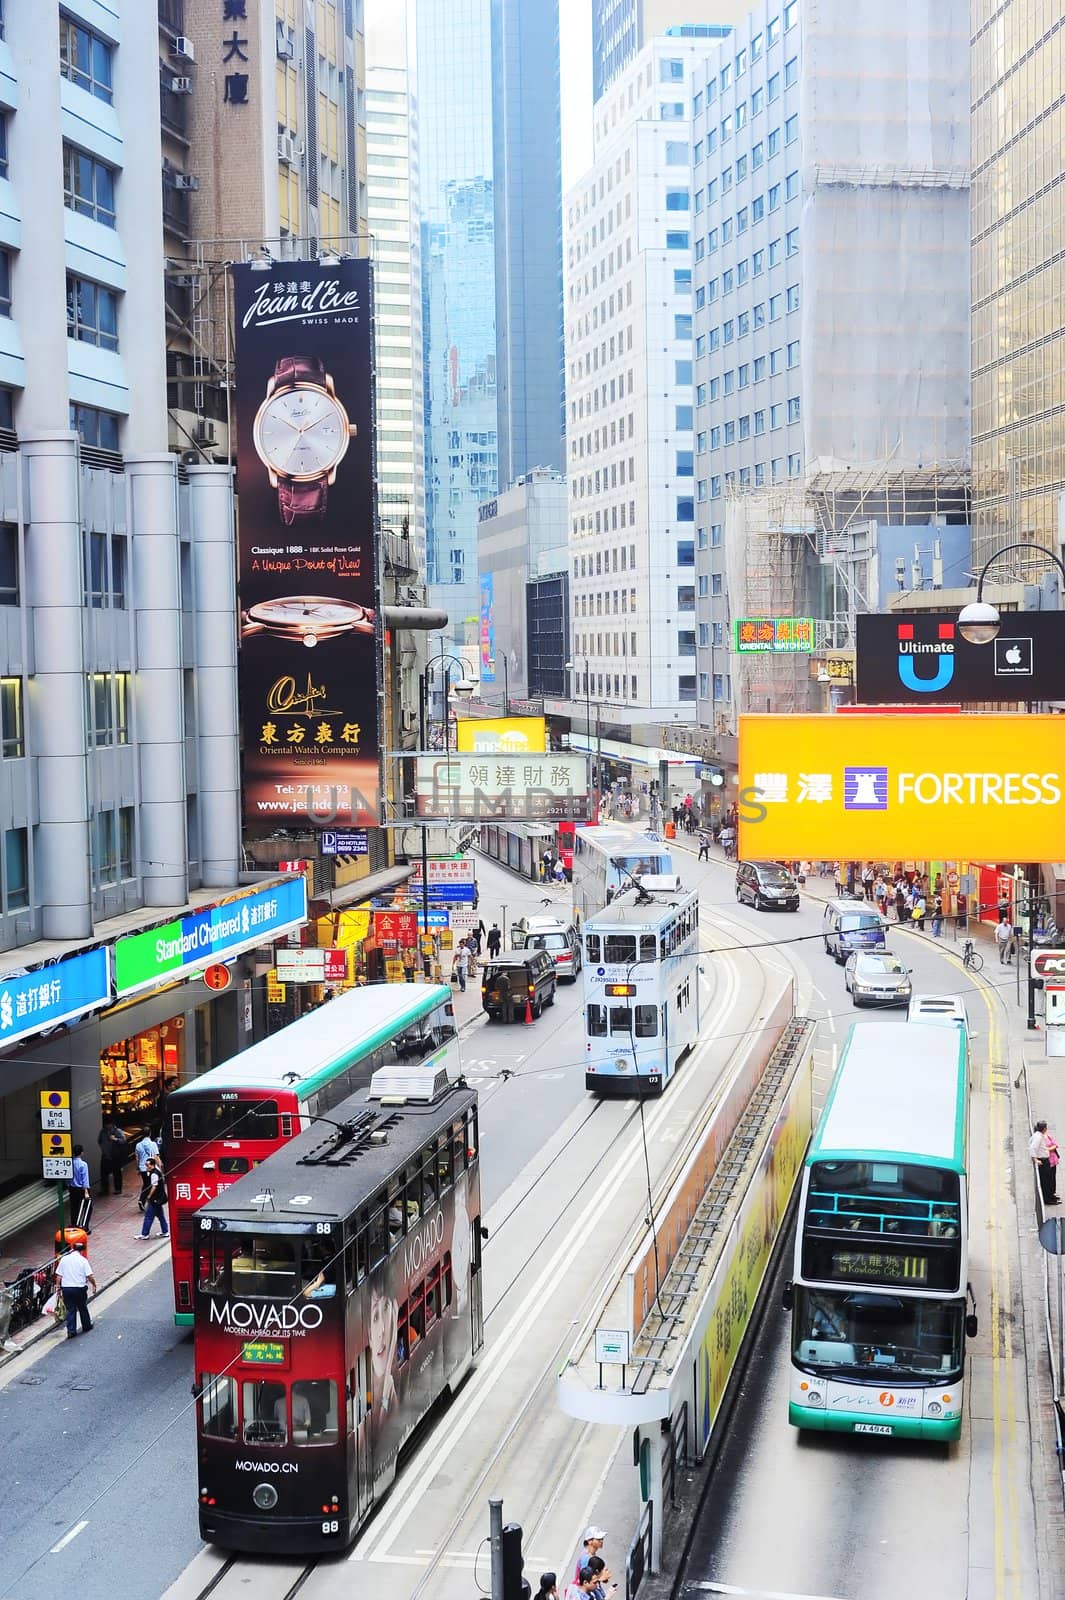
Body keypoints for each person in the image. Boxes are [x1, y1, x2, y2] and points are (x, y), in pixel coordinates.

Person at [56, 1240, 96, 1339]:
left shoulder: (64, 1259)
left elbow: (59, 1276)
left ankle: (71, 1331)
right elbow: (89, 1276)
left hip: (67, 1289)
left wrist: (58, 1287)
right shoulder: (83, 1260)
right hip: (79, 1288)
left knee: (70, 1309)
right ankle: (86, 1326)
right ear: (82, 1251)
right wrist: (94, 1285)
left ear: (73, 1249)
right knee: (82, 1307)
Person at [137, 1156, 169, 1238]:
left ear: (152, 1165)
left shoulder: (154, 1174)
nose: (146, 1167)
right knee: (161, 1216)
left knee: (148, 1217)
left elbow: (154, 1186)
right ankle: (165, 1231)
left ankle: (145, 1234)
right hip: (158, 1199)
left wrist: (149, 1196)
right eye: (146, 1165)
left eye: (148, 1165)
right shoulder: (156, 1171)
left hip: (154, 1199)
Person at [1030, 1121, 1060, 1204]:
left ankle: (1050, 1196)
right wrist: (1035, 1159)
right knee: (1045, 1180)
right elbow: (1032, 1148)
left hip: (1046, 1160)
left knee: (1049, 1179)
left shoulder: (1039, 1136)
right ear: (1044, 1128)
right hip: (1043, 1160)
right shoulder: (1038, 1137)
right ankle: (1047, 1199)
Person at [97, 1119, 127, 1196]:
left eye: (108, 1125)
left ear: (111, 1124)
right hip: (105, 1156)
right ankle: (105, 1189)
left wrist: (115, 1139)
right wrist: (104, 1149)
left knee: (117, 1173)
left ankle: (118, 1189)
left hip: (115, 1156)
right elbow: (99, 1141)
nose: (107, 1126)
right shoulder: (103, 1132)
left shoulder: (117, 1131)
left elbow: (123, 1140)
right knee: (103, 1174)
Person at [69, 1144, 93, 1233]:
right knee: (87, 1208)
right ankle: (85, 1226)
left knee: (74, 1207)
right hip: (82, 1189)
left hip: (72, 1188)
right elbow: (85, 1179)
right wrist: (86, 1191)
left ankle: (74, 1225)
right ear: (82, 1153)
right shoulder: (83, 1164)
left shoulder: (70, 1163)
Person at [135, 1127, 160, 1211]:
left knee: (146, 1184)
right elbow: (156, 1157)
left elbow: (137, 1158)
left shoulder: (138, 1145)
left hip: (142, 1168)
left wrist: (138, 1168)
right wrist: (159, 1167)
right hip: (151, 1168)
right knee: (150, 1185)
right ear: (150, 1133)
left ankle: (143, 1201)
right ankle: (143, 1200)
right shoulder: (153, 1144)